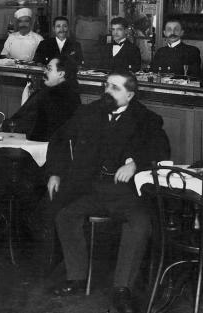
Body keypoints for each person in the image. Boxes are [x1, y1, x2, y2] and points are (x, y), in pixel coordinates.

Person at [47, 71, 170, 313]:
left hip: (126, 193)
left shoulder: (146, 119)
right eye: (106, 85)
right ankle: (76, 277)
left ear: (130, 95)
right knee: (65, 215)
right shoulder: (90, 112)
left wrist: (135, 164)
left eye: (115, 88)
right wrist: (55, 173)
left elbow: (161, 149)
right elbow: (59, 138)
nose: (107, 91)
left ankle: (122, 289)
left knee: (140, 223)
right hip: (91, 188)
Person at [5, 55, 81, 142]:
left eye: (49, 69)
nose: (45, 71)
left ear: (61, 74)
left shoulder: (48, 96)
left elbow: (28, 126)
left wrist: (5, 125)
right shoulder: (73, 95)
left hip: (37, 145)